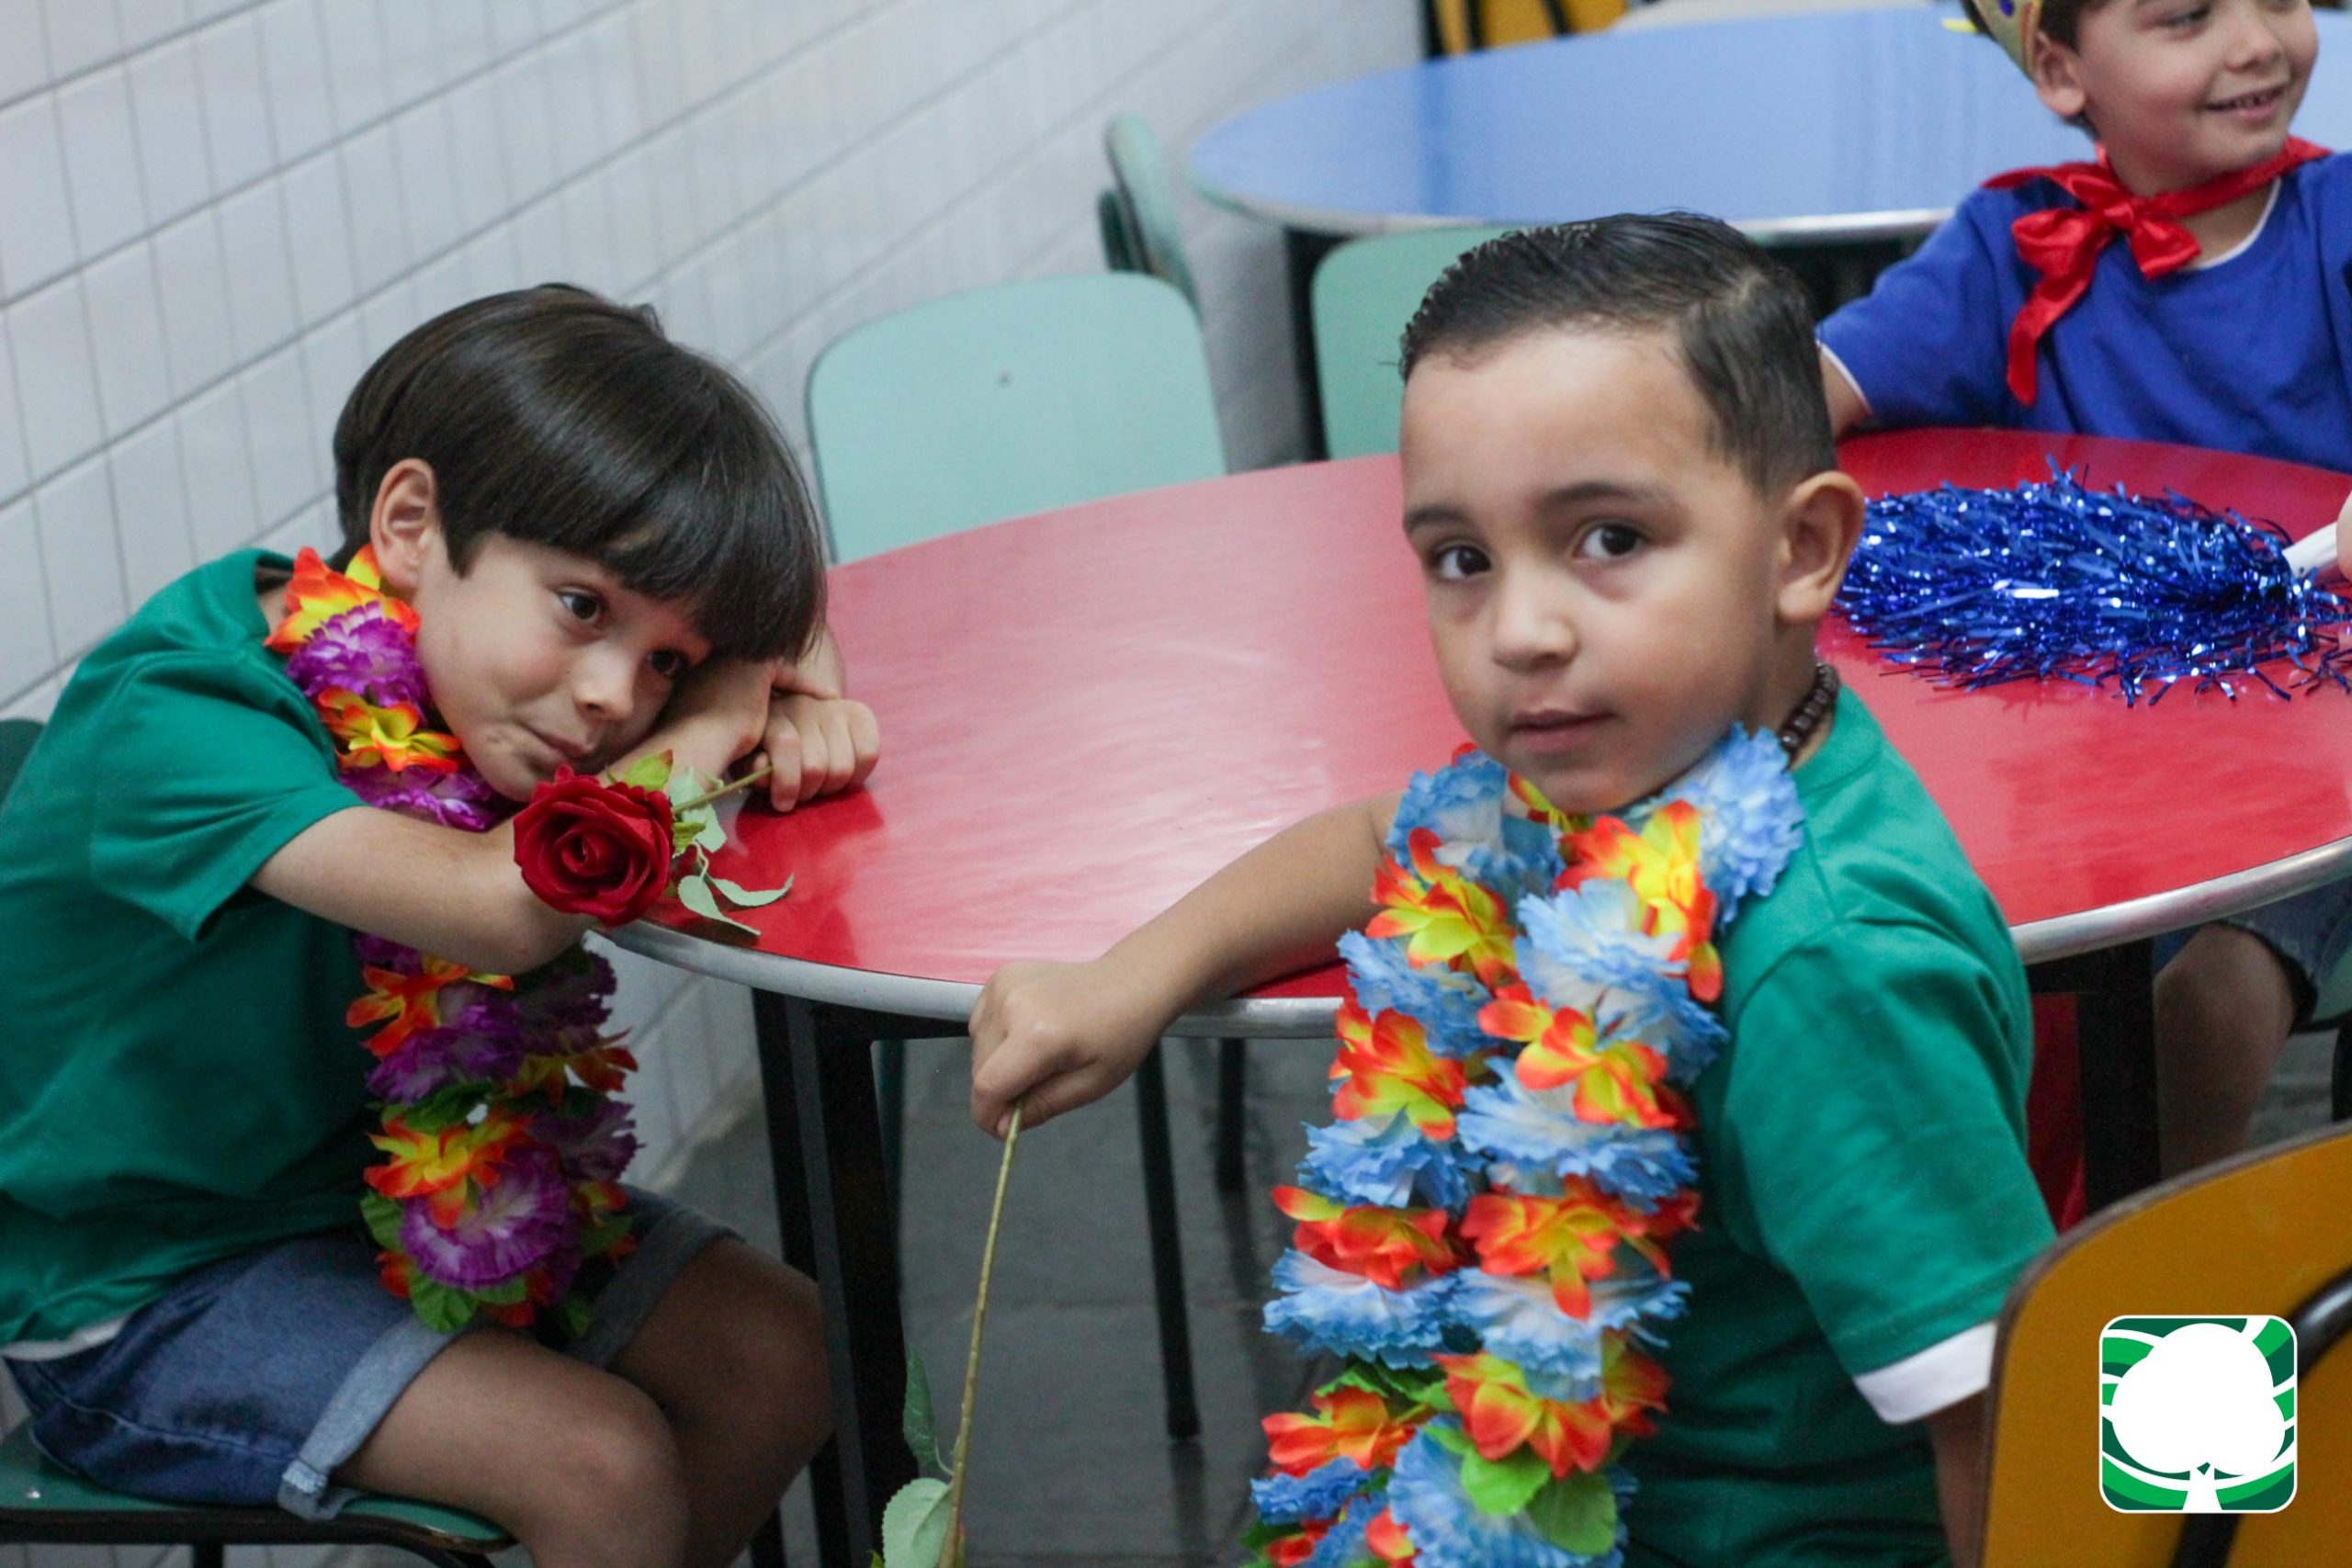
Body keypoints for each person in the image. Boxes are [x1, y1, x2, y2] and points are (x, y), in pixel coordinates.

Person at [970, 217, 2054, 1566]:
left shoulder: (1825, 963)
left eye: (1610, 537)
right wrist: (1133, 973)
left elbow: (2012, 1410)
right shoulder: (1646, 768)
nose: (1522, 632)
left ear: (1800, 550)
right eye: (1461, 560)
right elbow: (1376, 837)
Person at [0, 286, 878, 1568]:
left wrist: (777, 688)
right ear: (410, 525)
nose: (610, 698)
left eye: (667, 660)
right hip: (137, 1288)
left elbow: (791, 620)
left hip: (364, 1200)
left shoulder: (481, 688)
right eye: (584, 607)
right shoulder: (179, 714)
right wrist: (718, 713)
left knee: (786, 1350)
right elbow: (498, 908)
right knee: (599, 1463)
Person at [1816, 0, 2352, 1175]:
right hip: (2072, 767)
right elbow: (1802, 395)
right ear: (2060, 69)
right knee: (1896, 969)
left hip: (2311, 754)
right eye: (2186, 16)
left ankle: (2166, 1261)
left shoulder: (2336, 222)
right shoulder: (2013, 244)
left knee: (2201, 1012)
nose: (2256, 42)